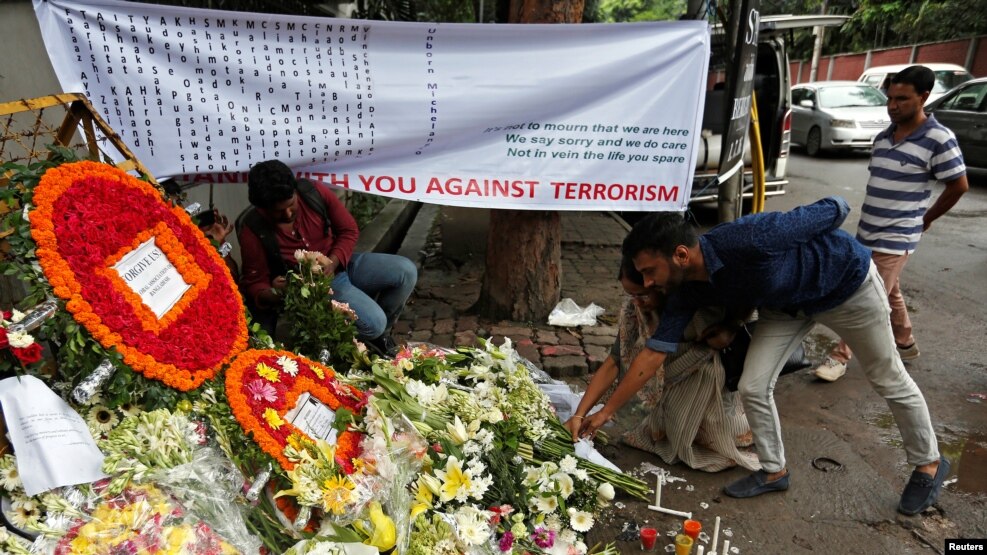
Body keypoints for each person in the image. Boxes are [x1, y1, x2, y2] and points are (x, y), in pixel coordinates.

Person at [579, 199, 948, 516]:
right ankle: (774, 471)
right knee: (754, 386)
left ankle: (928, 463)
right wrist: (604, 414)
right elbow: (653, 354)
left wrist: (809, 247)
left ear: (680, 254)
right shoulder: (684, 288)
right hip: (786, 309)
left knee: (887, 378)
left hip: (846, 288)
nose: (646, 284)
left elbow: (837, 206)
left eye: (648, 272)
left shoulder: (753, 236)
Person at [812, 65, 969, 382]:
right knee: (888, 291)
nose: (893, 105)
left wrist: (926, 219)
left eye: (903, 99)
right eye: (890, 98)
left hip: (897, 238)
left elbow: (959, 185)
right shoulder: (884, 137)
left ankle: (840, 356)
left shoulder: (939, 139)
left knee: (864, 297)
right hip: (867, 232)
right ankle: (905, 341)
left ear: (924, 97)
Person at [565, 258, 759, 472]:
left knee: (705, 437)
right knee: (663, 428)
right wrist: (579, 414)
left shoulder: (689, 303)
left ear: (659, 286)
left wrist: (605, 413)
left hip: (704, 368)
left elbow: (651, 359)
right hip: (666, 371)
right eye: (632, 295)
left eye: (642, 295)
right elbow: (614, 360)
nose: (637, 302)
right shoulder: (636, 309)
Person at [238, 160, 417, 355]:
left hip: (341, 265)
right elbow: (254, 283)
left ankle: (378, 338)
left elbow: (348, 230)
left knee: (405, 271)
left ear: (295, 192)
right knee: (374, 323)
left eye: (291, 205)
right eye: (278, 212)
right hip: (317, 289)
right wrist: (278, 291)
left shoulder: (313, 193)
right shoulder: (254, 229)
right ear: (263, 208)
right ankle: (367, 334)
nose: (288, 214)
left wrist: (333, 260)